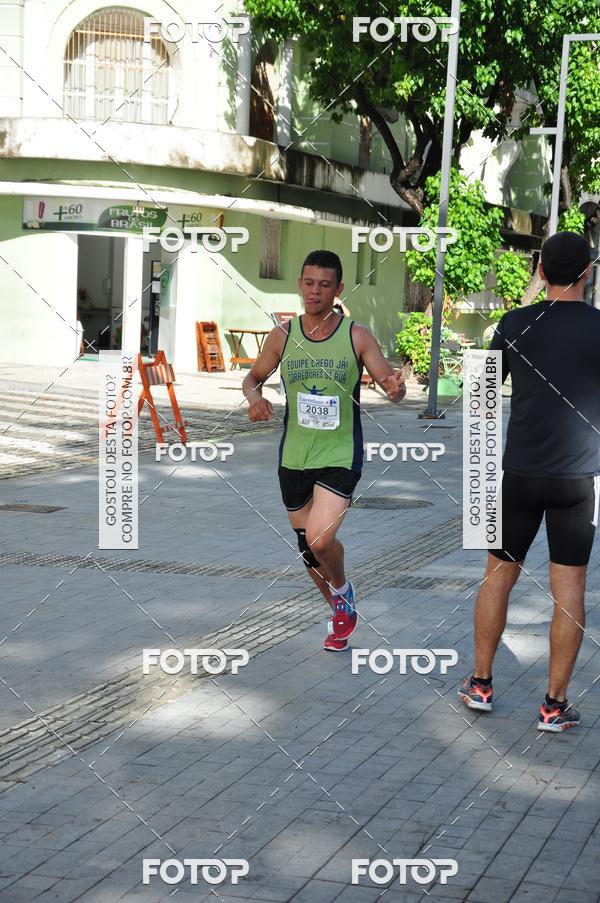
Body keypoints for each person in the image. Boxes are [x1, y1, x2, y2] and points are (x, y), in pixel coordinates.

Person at [459, 231, 597, 731]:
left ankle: (480, 683)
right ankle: (554, 706)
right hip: (578, 481)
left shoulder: (515, 323)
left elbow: (480, 397)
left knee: (497, 576)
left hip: (518, 475)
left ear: (540, 270)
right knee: (570, 588)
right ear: (588, 271)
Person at [243, 249, 406, 651]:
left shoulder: (356, 335)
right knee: (308, 549)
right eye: (309, 283)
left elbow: (390, 383)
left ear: (338, 289)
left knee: (319, 540)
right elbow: (253, 377)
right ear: (300, 284)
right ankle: (339, 608)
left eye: (324, 285)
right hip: (294, 456)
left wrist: (395, 389)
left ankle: (342, 587)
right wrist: (254, 398)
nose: (315, 291)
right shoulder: (282, 336)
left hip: (339, 454)